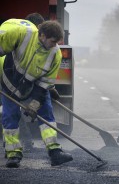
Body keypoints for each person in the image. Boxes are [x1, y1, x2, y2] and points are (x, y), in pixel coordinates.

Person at [0, 17, 73, 168]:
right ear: (42, 35)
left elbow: (45, 83)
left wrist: (35, 103)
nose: (55, 46)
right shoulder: (21, 33)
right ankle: (13, 154)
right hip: (9, 79)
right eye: (53, 42)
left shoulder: (55, 54)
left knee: (46, 112)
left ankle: (55, 152)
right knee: (10, 116)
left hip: (34, 84)